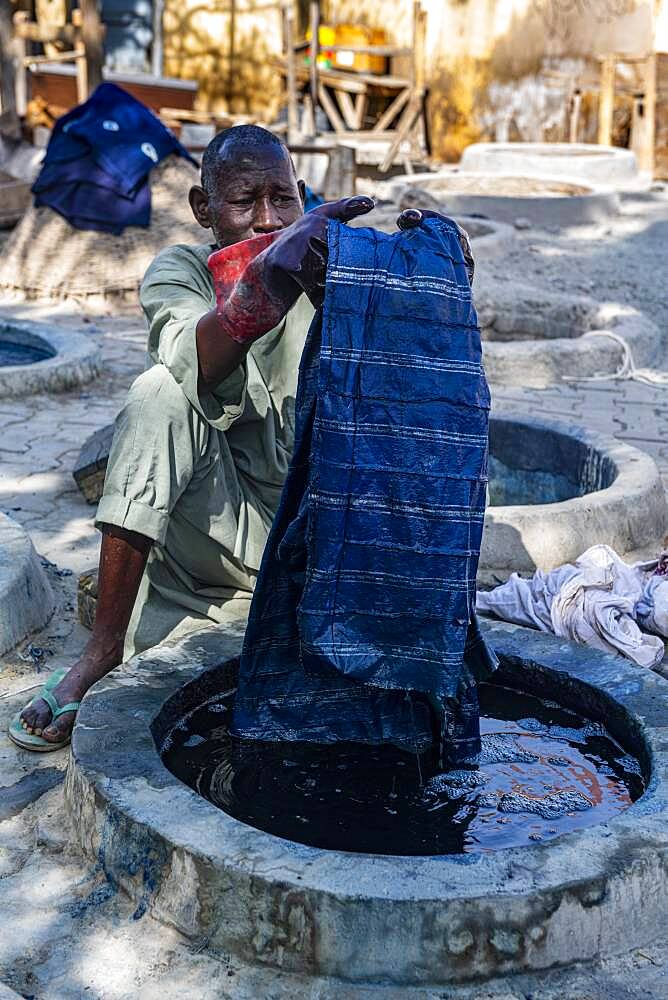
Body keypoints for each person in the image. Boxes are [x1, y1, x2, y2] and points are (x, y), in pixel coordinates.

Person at [11, 124, 375, 751]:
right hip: (215, 539)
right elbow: (198, 358)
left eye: (283, 200)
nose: (267, 220)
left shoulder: (334, 272)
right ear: (204, 209)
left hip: (308, 547)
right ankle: (101, 650)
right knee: (158, 394)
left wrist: (415, 281)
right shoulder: (180, 271)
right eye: (244, 202)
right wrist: (267, 285)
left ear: (303, 199)